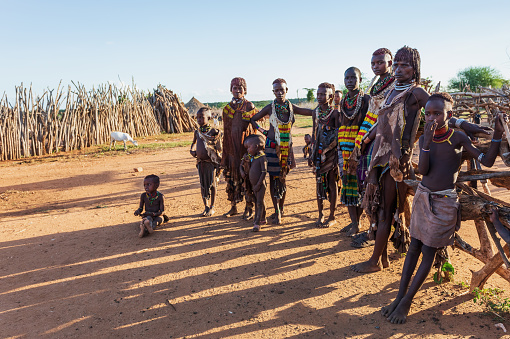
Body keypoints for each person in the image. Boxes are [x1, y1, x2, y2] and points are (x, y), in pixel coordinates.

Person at [352, 46, 492, 273]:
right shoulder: (391, 91)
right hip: (379, 156)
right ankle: (382, 258)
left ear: (415, 68)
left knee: (387, 210)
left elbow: (442, 112)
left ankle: (374, 262)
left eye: (404, 65)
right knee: (379, 208)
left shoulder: (416, 93)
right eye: (396, 65)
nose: (398, 69)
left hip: (395, 160)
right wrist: (367, 138)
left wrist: (466, 125)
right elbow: (383, 120)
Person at [381, 93, 505, 324]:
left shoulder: (457, 137)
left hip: (445, 202)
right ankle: (399, 297)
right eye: (427, 114)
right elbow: (424, 171)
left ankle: (407, 302)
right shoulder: (424, 140)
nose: (431, 118)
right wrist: (426, 144)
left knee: (428, 252)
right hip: (423, 198)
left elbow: (486, 161)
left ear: (449, 115)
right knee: (414, 247)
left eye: (437, 113)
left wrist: (497, 135)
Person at [348, 48, 395, 246]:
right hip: (368, 134)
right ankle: (371, 229)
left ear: (390, 63)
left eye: (380, 63)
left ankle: (375, 231)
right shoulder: (377, 84)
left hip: (381, 136)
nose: (376, 66)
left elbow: (386, 115)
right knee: (365, 184)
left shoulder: (394, 85)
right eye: (373, 63)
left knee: (375, 186)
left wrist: (367, 138)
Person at [250, 78, 313, 224]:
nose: (279, 92)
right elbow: (253, 119)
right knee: (273, 179)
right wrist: (264, 132)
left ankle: (281, 208)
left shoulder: (291, 107)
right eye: (276, 90)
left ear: (286, 90)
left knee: (283, 178)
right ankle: (277, 211)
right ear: (273, 92)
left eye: (281, 90)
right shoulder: (269, 108)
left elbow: (309, 112)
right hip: (272, 147)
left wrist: (322, 109)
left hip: (287, 149)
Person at [337, 67, 370, 235]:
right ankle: (354, 223)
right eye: (347, 78)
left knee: (360, 186)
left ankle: (357, 224)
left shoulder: (366, 100)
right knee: (347, 185)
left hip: (361, 149)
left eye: (353, 78)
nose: (350, 81)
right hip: (344, 149)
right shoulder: (342, 102)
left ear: (360, 80)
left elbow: (370, 124)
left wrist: (361, 145)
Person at [221, 77, 258, 219]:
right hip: (231, 150)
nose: (237, 91)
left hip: (245, 150)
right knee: (232, 179)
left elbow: (256, 127)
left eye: (240, 88)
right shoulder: (227, 109)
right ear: (231, 90)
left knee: (247, 178)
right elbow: (226, 130)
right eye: (234, 88)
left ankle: (249, 208)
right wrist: (225, 153)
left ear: (245, 90)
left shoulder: (250, 107)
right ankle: (233, 207)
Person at [309, 82, 339, 228]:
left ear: (331, 97)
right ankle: (320, 214)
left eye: (323, 94)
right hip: (318, 154)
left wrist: (328, 151)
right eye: (318, 94)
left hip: (331, 154)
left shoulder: (335, 114)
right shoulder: (315, 112)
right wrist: (312, 152)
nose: (319, 97)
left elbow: (338, 135)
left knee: (332, 183)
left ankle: (332, 216)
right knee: (319, 183)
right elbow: (315, 132)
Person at [190, 107, 222, 217]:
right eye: (197, 117)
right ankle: (206, 206)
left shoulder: (213, 131)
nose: (198, 119)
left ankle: (212, 207)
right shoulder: (197, 132)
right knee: (202, 184)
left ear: (208, 118)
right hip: (200, 163)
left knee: (212, 184)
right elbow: (193, 144)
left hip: (210, 163)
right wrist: (192, 151)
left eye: (201, 117)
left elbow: (219, 146)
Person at [241, 135, 267, 232]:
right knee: (258, 201)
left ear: (256, 146)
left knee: (259, 202)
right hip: (254, 185)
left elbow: (264, 172)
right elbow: (244, 164)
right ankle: (263, 218)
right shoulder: (253, 157)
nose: (247, 150)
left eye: (249, 147)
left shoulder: (262, 158)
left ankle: (257, 222)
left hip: (260, 185)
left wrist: (258, 185)